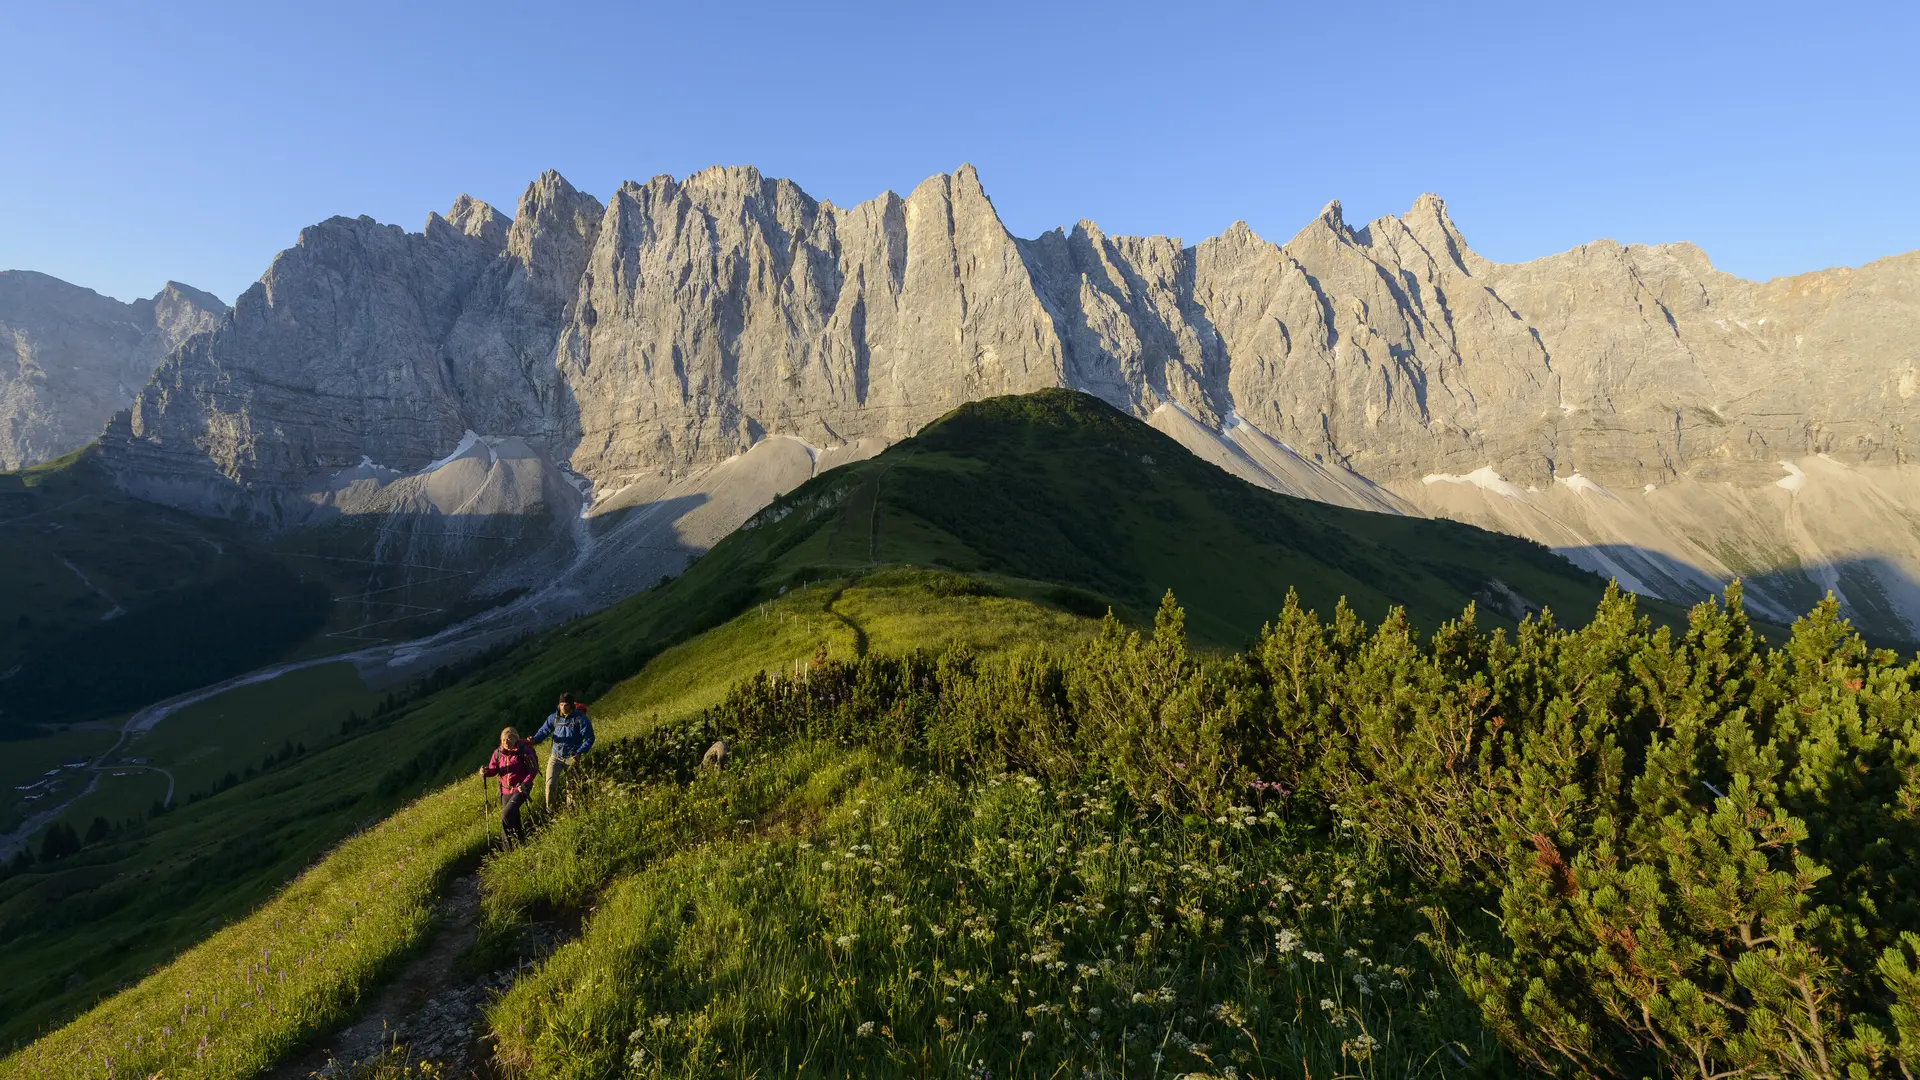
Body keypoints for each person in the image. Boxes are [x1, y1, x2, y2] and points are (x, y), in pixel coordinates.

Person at [528, 692, 595, 810]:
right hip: (555, 756)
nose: (563, 707)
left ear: (572, 705)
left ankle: (572, 810)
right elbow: (544, 731)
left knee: (572, 785)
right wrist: (534, 740)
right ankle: (551, 810)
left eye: (566, 705)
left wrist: (580, 752)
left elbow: (589, 738)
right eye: (561, 704)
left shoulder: (580, 719)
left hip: (571, 757)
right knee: (550, 784)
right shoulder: (553, 718)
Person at [479, 727, 538, 844]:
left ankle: (508, 848)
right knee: (513, 817)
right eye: (504, 739)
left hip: (521, 788)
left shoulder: (524, 751)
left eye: (510, 738)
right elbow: (493, 770)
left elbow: (533, 770)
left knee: (506, 815)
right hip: (505, 790)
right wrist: (485, 772)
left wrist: (525, 783)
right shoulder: (497, 753)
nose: (506, 742)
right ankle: (520, 843)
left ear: (516, 739)